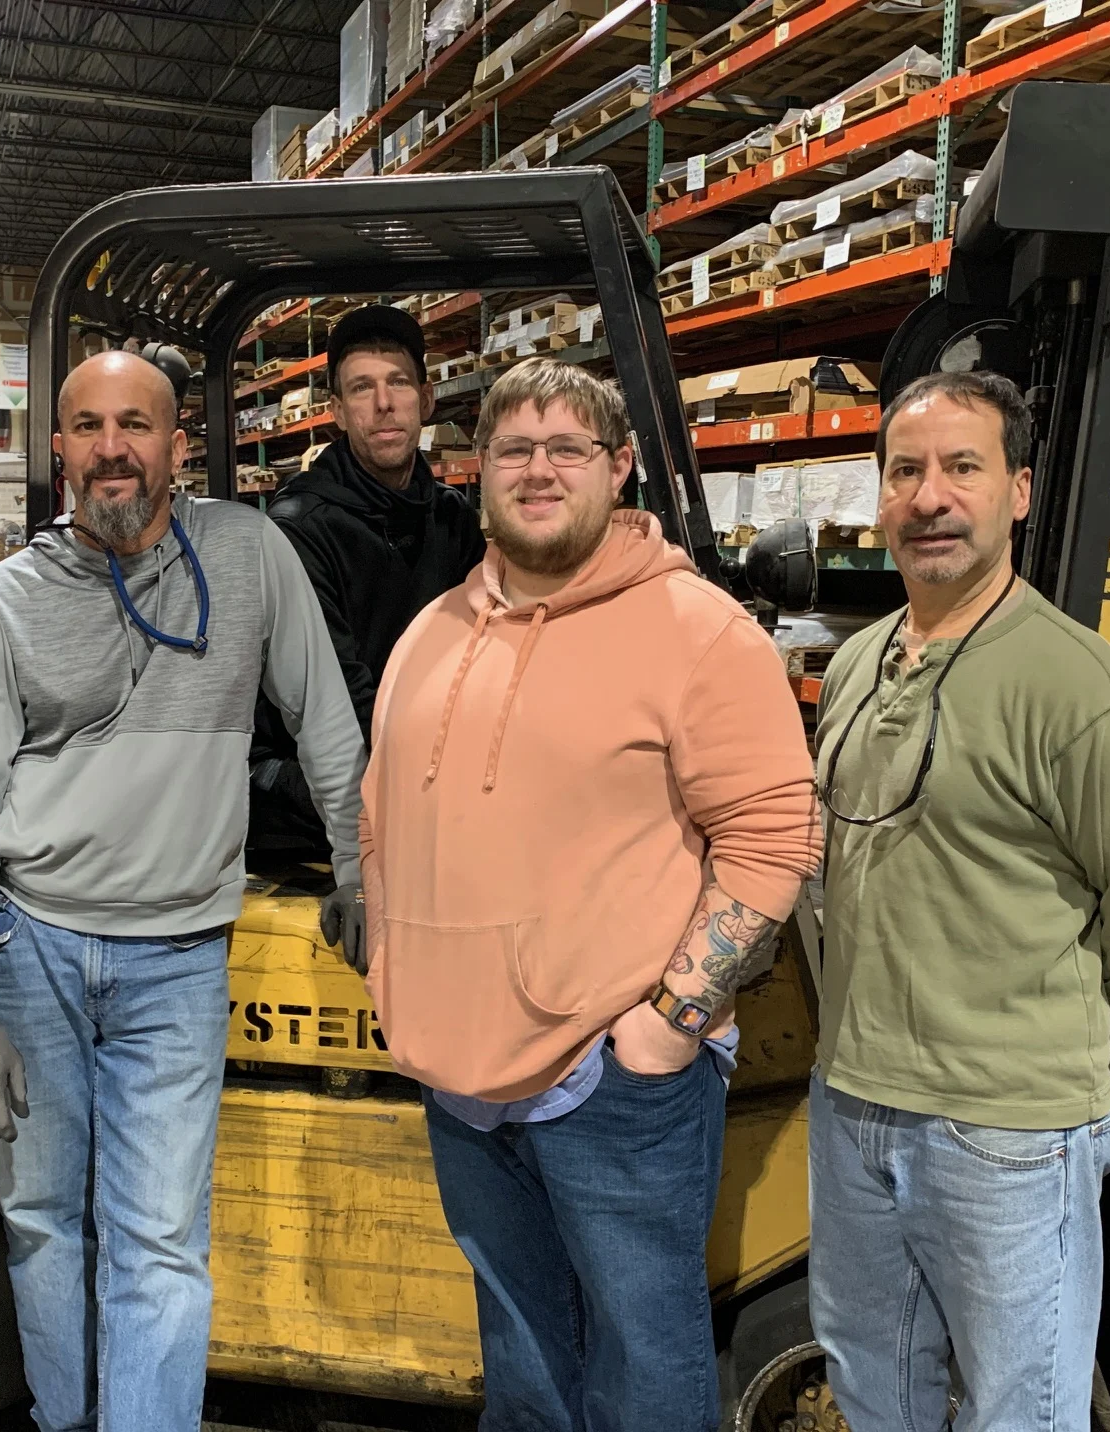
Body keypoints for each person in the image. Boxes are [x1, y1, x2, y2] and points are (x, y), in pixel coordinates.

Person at [357, 358, 822, 1432]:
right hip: (461, 1079)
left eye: (567, 448)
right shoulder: (432, 633)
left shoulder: (696, 629)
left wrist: (671, 1022)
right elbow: (381, 821)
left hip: (611, 1084)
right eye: (514, 449)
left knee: (642, 1357)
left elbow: (770, 837)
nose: (538, 470)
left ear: (617, 469)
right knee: (518, 1352)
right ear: (479, 473)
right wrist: (396, 976)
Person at [0, 350, 366, 1432]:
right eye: (86, 425)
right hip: (34, 952)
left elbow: (325, 722)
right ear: (58, 447)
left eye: (135, 423)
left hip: (178, 959)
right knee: (37, 1216)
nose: (110, 445)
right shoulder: (2, 607)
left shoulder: (252, 556)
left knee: (158, 1236)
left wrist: (359, 864)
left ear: (177, 446)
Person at [808, 371, 1110, 1432]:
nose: (928, 496)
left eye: (960, 468)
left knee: (1016, 1409)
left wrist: (1039, 1024)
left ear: (1019, 491)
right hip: (854, 1102)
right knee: (869, 1382)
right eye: (905, 471)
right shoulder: (855, 668)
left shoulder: (1087, 696)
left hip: (1007, 1130)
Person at [247, 303, 484, 879]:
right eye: (362, 388)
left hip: (409, 756)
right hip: (304, 769)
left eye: (399, 382)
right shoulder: (302, 526)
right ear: (337, 412)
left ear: (426, 399)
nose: (384, 403)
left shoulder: (451, 518)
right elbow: (338, 704)